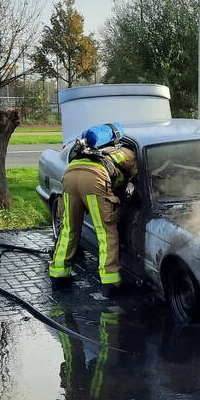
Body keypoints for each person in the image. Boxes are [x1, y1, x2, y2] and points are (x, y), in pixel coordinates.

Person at [48, 124, 137, 294]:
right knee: (105, 231)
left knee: (68, 228)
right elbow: (138, 179)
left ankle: (58, 275)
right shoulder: (129, 153)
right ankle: (110, 281)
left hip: (70, 175)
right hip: (94, 180)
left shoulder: (95, 149)